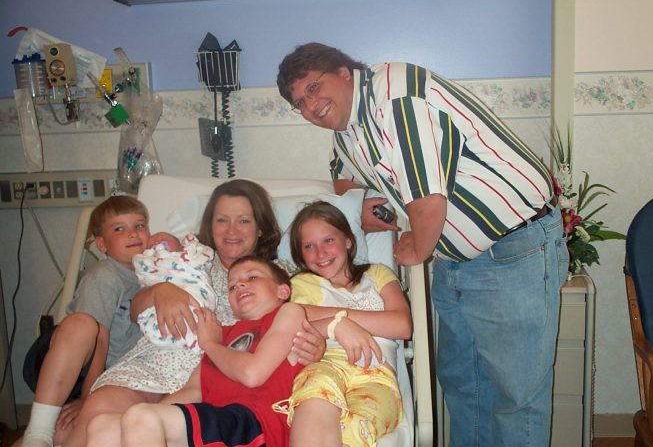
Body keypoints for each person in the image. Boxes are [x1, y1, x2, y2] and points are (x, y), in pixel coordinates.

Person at [277, 43, 570, 446]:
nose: (310, 106)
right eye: (299, 103)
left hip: (511, 251)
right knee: (465, 385)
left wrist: (415, 248)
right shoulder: (348, 131)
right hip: (455, 261)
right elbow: (344, 184)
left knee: (515, 396)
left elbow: (428, 203)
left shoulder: (396, 97)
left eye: (313, 87)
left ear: (344, 72)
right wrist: (368, 209)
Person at [59, 179, 325, 447]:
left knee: (140, 422)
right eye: (222, 220)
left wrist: (319, 342)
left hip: (216, 377)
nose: (231, 230)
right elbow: (134, 310)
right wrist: (160, 291)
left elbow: (304, 315)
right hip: (158, 362)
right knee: (100, 411)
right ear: (210, 226)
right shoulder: (188, 258)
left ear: (260, 228)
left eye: (243, 220)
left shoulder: (282, 275)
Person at [85, 256, 306, 447]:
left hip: (256, 424)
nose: (239, 285)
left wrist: (209, 344)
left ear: (283, 291)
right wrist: (139, 421)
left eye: (252, 277)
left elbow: (252, 374)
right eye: (232, 286)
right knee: (104, 424)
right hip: (216, 422)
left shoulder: (288, 313)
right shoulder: (222, 334)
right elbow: (192, 391)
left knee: (141, 416)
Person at [18, 196, 150, 447]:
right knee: (83, 325)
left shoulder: (147, 274)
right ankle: (38, 431)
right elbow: (99, 338)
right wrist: (89, 397)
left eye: (140, 225)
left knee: (64, 432)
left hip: (106, 375)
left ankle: (36, 439)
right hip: (72, 363)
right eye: (119, 229)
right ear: (102, 244)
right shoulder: (106, 276)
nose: (133, 233)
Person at [286, 201, 412, 447]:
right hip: (325, 364)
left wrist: (338, 320)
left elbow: (402, 325)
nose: (320, 253)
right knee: (314, 393)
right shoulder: (299, 284)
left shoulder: (377, 274)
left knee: (355, 427)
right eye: (309, 246)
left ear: (348, 241)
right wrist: (340, 325)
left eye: (328, 240)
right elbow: (293, 324)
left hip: (376, 376)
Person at [134, 233, 215, 351]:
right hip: (153, 342)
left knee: (195, 313)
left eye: (164, 241)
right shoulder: (149, 265)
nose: (157, 242)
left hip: (192, 294)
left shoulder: (194, 255)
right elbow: (134, 311)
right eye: (152, 247)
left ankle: (193, 337)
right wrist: (159, 290)